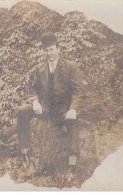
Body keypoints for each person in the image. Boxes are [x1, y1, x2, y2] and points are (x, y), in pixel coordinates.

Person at [17, 32, 85, 172]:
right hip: (45, 109)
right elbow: (34, 89)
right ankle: (25, 150)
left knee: (74, 119)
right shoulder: (39, 68)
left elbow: (78, 91)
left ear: (58, 49)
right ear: (43, 51)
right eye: (46, 50)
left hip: (63, 111)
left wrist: (73, 109)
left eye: (52, 49)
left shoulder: (71, 66)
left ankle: (72, 157)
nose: (49, 53)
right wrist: (35, 102)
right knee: (22, 110)